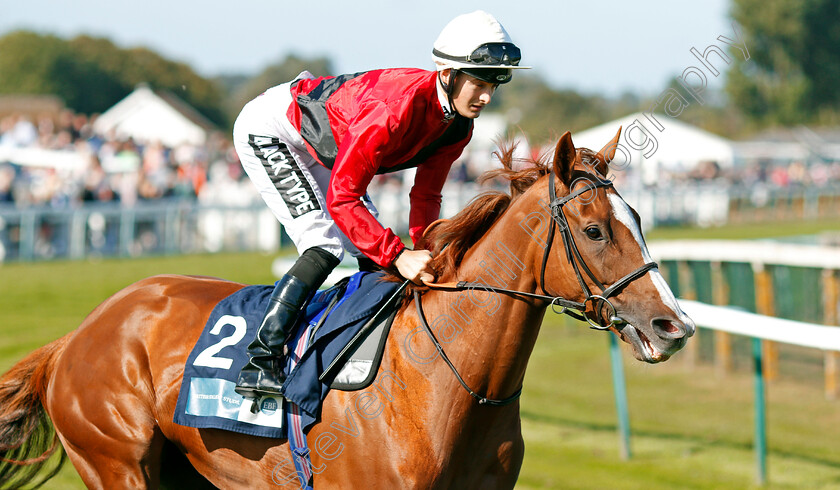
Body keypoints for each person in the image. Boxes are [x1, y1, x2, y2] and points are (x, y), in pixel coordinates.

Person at [232, 10, 529, 400]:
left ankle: (364, 359)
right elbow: (342, 198)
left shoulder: (458, 126)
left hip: (323, 145)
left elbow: (425, 195)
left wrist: (424, 252)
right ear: (448, 74)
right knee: (325, 244)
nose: (487, 96)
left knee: (374, 257)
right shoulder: (393, 108)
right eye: (478, 82)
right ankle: (261, 361)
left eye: (494, 84)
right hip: (272, 129)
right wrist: (398, 255)